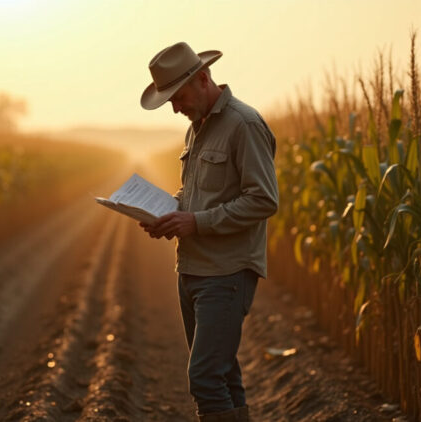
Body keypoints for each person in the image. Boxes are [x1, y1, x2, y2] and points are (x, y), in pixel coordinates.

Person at [139, 42, 279, 422]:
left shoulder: (244, 124)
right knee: (222, 375)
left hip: (227, 273)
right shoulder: (196, 128)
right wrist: (168, 212)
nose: (175, 107)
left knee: (203, 377)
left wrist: (196, 222)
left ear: (203, 79)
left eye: (178, 97)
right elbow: (195, 193)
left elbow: (264, 200)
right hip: (192, 270)